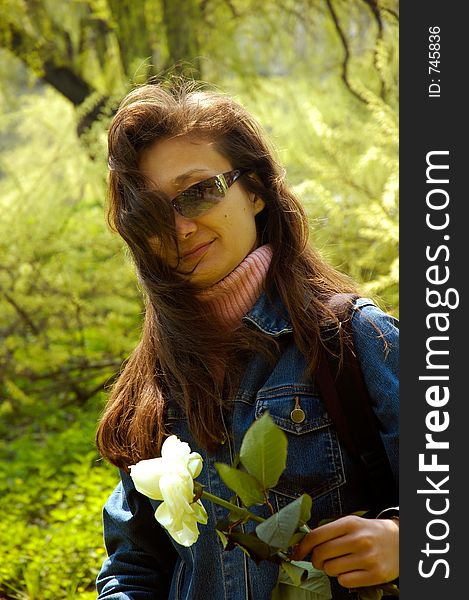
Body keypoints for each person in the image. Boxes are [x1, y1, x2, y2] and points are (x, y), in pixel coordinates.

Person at [95, 79, 399, 600]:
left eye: (199, 191)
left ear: (255, 190)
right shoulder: (157, 380)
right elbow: (134, 564)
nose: (180, 228)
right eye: (152, 211)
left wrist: (404, 542)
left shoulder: (352, 339)